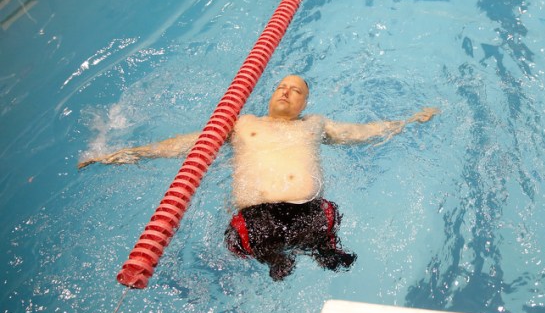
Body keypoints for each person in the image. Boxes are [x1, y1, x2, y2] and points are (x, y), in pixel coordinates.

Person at [79, 75, 440, 281]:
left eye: (296, 91)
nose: (286, 91)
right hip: (257, 218)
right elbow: (186, 144)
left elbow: (360, 132)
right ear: (271, 94)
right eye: (282, 86)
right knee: (250, 241)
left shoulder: (315, 124)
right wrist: (125, 154)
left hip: (309, 210)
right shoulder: (242, 124)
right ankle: (275, 259)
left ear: (304, 104)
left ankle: (322, 250)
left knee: (329, 224)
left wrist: (408, 121)